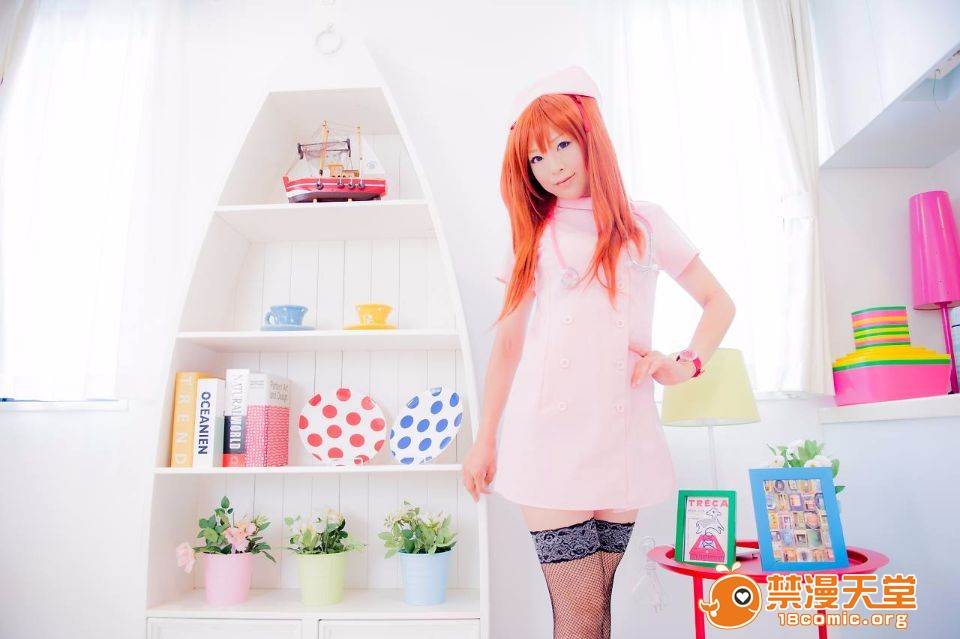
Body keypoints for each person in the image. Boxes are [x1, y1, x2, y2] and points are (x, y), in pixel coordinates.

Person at [462, 65, 735, 639]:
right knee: (581, 613)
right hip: (547, 437)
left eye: (562, 145)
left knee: (599, 611)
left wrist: (683, 365)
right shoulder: (533, 234)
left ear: (591, 138)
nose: (553, 166)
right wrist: (485, 440)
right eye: (536, 158)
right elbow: (508, 343)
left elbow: (719, 303)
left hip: (622, 435)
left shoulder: (645, 224)